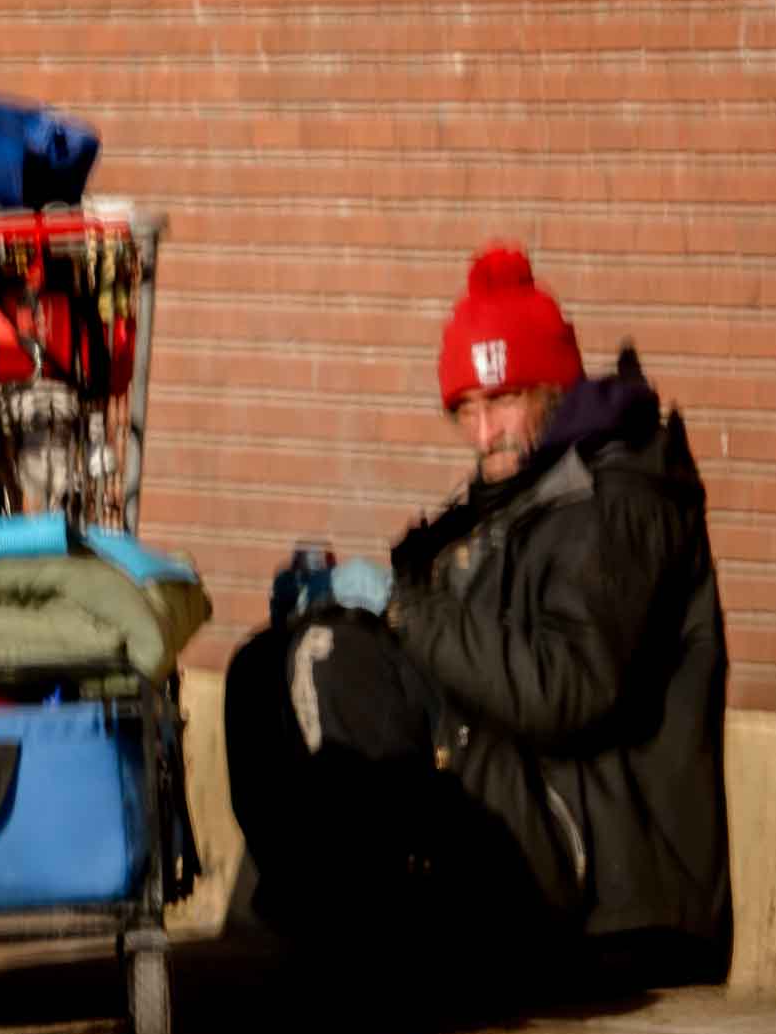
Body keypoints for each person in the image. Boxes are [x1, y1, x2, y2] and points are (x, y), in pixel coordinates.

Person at [224, 244, 731, 990]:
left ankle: (345, 936)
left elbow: (567, 691)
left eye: (502, 402)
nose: (484, 432)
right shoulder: (509, 502)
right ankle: (300, 922)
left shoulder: (617, 506)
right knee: (270, 662)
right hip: (523, 813)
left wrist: (393, 608)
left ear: (551, 393)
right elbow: (440, 640)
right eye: (466, 409)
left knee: (338, 659)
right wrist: (338, 599)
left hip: (602, 875)